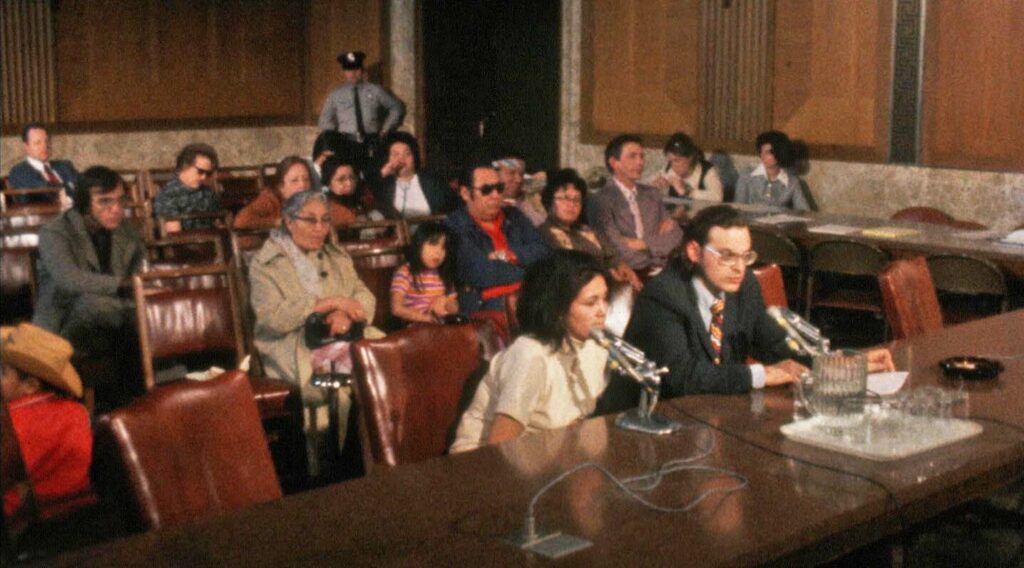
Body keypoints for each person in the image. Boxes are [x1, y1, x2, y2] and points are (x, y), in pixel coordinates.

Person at [606, 205, 892, 405]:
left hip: (709, 420)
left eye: (745, 256)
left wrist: (841, 363)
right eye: (727, 256)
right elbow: (683, 378)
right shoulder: (663, 296)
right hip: (644, 426)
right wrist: (761, 374)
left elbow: (774, 344)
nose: (739, 268)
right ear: (694, 251)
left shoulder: (743, 287)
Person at [248, 190, 382, 469]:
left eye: (325, 220)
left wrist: (347, 313)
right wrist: (325, 305)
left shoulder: (336, 256)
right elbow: (271, 318)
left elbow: (363, 295)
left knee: (385, 364)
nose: (320, 228)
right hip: (293, 342)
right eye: (310, 220)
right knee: (339, 384)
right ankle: (333, 469)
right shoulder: (265, 264)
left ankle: (382, 457)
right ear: (288, 221)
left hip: (346, 334)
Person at [450, 250, 610, 452]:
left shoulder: (595, 347)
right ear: (558, 310)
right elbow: (501, 446)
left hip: (553, 457)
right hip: (485, 465)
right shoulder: (530, 355)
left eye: (605, 298)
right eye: (591, 302)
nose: (602, 311)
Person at [34, 166, 145, 373]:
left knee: (141, 311)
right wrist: (123, 285)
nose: (116, 209)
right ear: (84, 204)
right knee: (98, 305)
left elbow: (140, 272)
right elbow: (69, 279)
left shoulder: (127, 231)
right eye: (105, 201)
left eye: (121, 200)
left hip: (112, 318)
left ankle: (153, 376)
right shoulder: (55, 232)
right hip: (62, 321)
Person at [2, 324, 93, 521]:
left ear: (30, 385)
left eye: (3, 372)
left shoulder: (11, 421)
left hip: (30, 522)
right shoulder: (77, 411)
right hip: (83, 513)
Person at [443, 161, 549, 315]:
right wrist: (534, 272)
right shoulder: (454, 226)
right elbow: (479, 272)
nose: (496, 195)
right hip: (486, 306)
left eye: (499, 188)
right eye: (486, 190)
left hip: (529, 297)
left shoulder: (514, 215)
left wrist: (511, 255)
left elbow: (544, 251)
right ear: (465, 193)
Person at [589, 134, 683, 273]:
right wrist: (656, 248)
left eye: (641, 156)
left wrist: (644, 244)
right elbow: (614, 248)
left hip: (660, 270)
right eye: (632, 156)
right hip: (628, 271)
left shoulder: (652, 194)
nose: (640, 162)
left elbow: (676, 236)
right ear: (614, 162)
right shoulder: (600, 200)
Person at [539, 168, 641, 291]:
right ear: (550, 201)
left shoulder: (587, 230)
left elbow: (612, 255)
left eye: (577, 200)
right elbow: (572, 268)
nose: (572, 204)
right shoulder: (545, 233)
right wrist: (608, 273)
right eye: (565, 198)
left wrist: (621, 265)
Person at [317, 50, 406, 167]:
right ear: (344, 72)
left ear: (362, 69)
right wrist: (335, 138)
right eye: (349, 70)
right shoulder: (336, 95)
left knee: (373, 176)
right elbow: (324, 120)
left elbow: (396, 108)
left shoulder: (376, 91)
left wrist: (385, 130)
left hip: (372, 143)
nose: (353, 73)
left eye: (356, 69)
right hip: (346, 144)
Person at [373, 131, 457, 219]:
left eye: (407, 153)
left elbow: (452, 208)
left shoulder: (432, 182)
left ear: (414, 157)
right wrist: (383, 173)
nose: (401, 159)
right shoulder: (383, 185)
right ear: (387, 158)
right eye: (395, 154)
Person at [389, 222, 459, 325]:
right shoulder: (406, 272)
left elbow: (455, 307)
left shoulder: (443, 273)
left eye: (444, 248)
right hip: (416, 328)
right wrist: (427, 318)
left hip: (441, 326)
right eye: (433, 244)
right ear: (419, 245)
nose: (438, 252)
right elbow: (396, 308)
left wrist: (446, 301)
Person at [152, 143, 221, 232]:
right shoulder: (168, 195)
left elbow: (218, 222)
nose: (204, 177)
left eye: (208, 173)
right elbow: (174, 234)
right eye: (200, 171)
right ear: (185, 166)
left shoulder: (208, 193)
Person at [734, 130, 810, 211]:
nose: (762, 156)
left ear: (780, 153)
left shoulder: (792, 181)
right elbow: (737, 208)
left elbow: (804, 211)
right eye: (761, 152)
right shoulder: (746, 175)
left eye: (768, 152)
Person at [7, 123, 79, 206]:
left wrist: (67, 196)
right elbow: (48, 193)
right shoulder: (19, 172)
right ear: (26, 147)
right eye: (38, 143)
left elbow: (84, 187)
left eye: (47, 141)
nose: (45, 146)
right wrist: (71, 190)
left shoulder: (65, 165)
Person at [233, 156, 313, 230]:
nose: (303, 185)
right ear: (281, 186)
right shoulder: (270, 199)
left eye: (306, 179)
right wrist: (278, 222)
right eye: (294, 181)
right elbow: (241, 221)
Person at [649, 132, 723, 203]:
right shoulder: (669, 170)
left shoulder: (707, 171)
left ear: (690, 158)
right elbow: (644, 184)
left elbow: (717, 197)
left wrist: (689, 192)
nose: (673, 165)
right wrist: (655, 186)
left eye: (677, 160)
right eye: (670, 161)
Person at [320, 154, 379, 227]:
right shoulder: (325, 210)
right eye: (341, 179)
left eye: (352, 177)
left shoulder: (365, 202)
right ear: (328, 183)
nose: (349, 183)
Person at [494, 155, 546, 226]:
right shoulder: (483, 204)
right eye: (511, 173)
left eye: (521, 174)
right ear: (495, 174)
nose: (519, 180)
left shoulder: (531, 199)